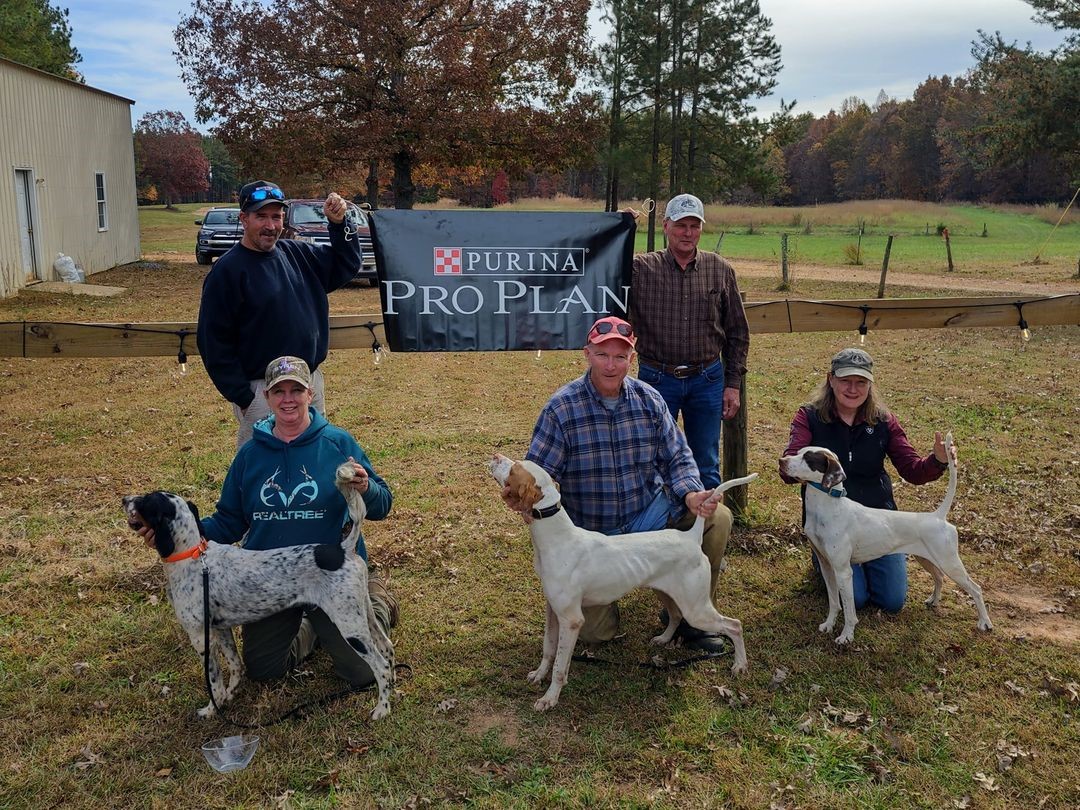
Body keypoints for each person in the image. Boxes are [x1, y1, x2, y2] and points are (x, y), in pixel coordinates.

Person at [142, 356, 398, 688]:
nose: (288, 399)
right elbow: (229, 521)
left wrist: (366, 488)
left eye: (296, 390)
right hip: (266, 580)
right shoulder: (250, 455)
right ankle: (315, 628)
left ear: (310, 394)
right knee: (264, 670)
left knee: (362, 675)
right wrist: (177, 535)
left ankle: (375, 601)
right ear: (267, 397)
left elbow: (383, 504)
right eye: (279, 391)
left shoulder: (337, 443)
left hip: (326, 572)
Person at [505, 315, 733, 653]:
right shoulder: (561, 409)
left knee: (718, 520)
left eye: (620, 356)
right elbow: (539, 476)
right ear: (587, 354)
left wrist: (690, 492)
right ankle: (613, 598)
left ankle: (690, 615)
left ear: (633, 357)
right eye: (602, 355)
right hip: (595, 536)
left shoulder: (650, 400)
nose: (611, 365)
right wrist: (526, 503)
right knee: (595, 633)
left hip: (648, 517)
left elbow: (678, 458)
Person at [778, 347, 957, 613]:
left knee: (891, 601)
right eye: (845, 381)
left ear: (870, 384)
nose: (853, 389)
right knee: (858, 599)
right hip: (830, 523)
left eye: (860, 382)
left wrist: (938, 459)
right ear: (831, 379)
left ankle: (862, 562)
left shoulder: (884, 421)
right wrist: (792, 467)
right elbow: (790, 463)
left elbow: (912, 470)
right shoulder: (809, 417)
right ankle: (825, 560)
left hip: (879, 522)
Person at [197, 180, 363, 448]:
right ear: (244, 218)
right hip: (262, 391)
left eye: (276, 216)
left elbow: (346, 264)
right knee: (262, 472)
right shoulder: (227, 272)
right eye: (261, 216)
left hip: (307, 383)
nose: (270, 226)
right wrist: (244, 396)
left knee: (313, 461)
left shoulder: (298, 255)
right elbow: (213, 341)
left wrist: (339, 222)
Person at [629, 193, 750, 491]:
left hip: (706, 379)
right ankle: (661, 529)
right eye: (681, 224)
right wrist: (620, 227)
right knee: (654, 457)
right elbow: (603, 264)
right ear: (666, 226)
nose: (688, 232)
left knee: (705, 461)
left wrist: (732, 384)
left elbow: (737, 331)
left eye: (694, 225)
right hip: (657, 379)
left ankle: (708, 532)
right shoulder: (641, 269)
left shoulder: (719, 270)